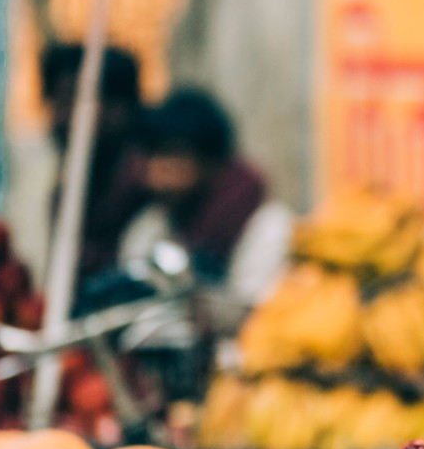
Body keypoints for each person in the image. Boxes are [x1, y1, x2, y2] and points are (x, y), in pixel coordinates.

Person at [117, 89, 294, 308]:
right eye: (154, 158)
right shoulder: (153, 223)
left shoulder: (268, 225)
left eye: (174, 158)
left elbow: (254, 309)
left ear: (211, 163)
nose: (159, 175)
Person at [39, 42, 146, 285]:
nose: (60, 117)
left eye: (71, 102)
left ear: (119, 108)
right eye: (57, 102)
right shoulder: (72, 186)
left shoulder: (145, 186)